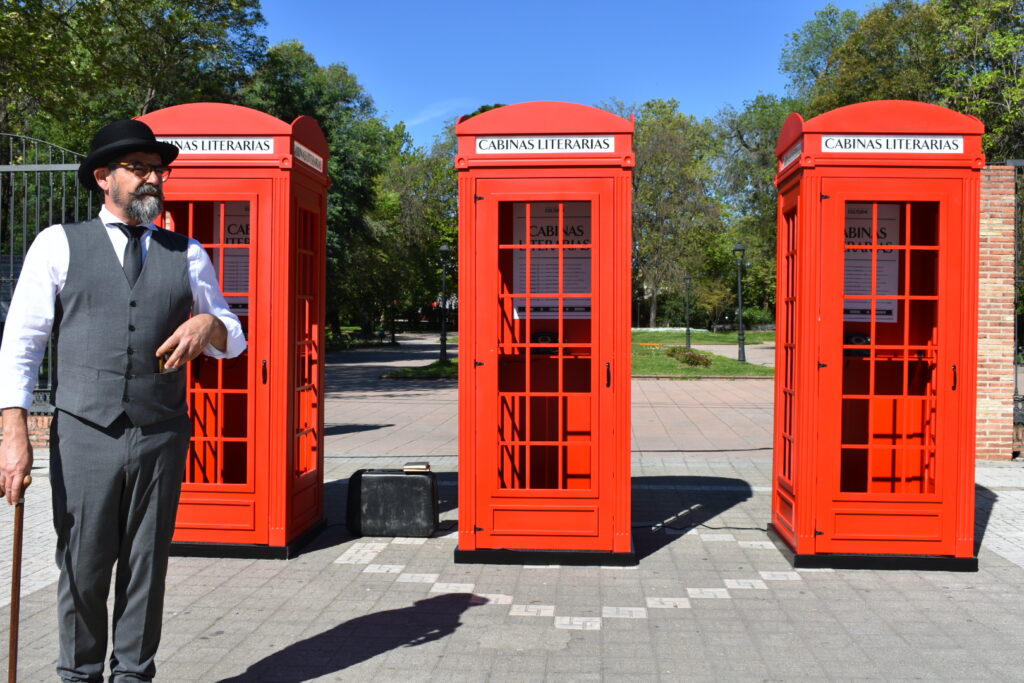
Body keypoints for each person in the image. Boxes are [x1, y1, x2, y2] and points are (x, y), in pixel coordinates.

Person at [0, 119, 246, 681]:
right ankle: (79, 674)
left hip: (161, 431)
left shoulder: (187, 253)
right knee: (83, 564)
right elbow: (22, 342)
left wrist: (207, 322)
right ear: (103, 177)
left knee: (146, 565)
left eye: (158, 170)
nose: (153, 179)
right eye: (139, 169)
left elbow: (236, 338)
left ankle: (134, 674)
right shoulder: (58, 243)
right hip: (84, 430)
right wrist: (14, 433)